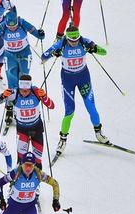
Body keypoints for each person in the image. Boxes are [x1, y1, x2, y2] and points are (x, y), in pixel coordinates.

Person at [41, 26, 109, 156]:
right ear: (67, 38)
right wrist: (53, 53)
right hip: (68, 80)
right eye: (71, 40)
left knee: (91, 107)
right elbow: (43, 56)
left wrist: (94, 48)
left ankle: (99, 133)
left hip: (83, 78)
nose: (74, 42)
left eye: (76, 40)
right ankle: (62, 140)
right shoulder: (62, 43)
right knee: (69, 111)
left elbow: (104, 52)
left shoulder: (84, 41)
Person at [0, 10, 44, 124]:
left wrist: (40, 34)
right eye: (9, 26)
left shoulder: (22, 22)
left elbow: (37, 33)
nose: (12, 28)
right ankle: (9, 110)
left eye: (14, 25)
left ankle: (25, 107)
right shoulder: (2, 25)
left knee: (24, 81)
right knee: (12, 84)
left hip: (25, 54)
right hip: (10, 56)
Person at [0, 74, 55, 167]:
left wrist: (45, 97)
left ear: (30, 88)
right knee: (21, 161)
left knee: (37, 162)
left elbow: (51, 106)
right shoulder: (14, 93)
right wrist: (2, 96)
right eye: (22, 90)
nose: (24, 93)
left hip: (37, 128)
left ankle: (36, 180)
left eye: (26, 91)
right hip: (22, 130)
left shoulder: (36, 91)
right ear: (19, 87)